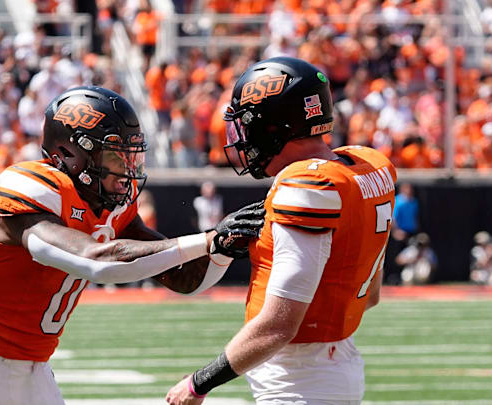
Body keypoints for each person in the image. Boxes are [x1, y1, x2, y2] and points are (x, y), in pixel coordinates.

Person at [0, 86, 264, 405]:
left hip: (35, 369)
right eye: (116, 157)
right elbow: (95, 261)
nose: (128, 171)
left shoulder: (111, 206)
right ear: (71, 153)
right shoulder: (29, 186)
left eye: (131, 157)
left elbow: (185, 278)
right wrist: (206, 239)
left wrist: (222, 248)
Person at [167, 56, 397, 405]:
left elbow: (278, 325)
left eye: (248, 125)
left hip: (298, 379)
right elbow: (371, 295)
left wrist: (199, 383)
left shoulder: (307, 184)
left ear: (275, 127)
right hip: (335, 363)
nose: (242, 139)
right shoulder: (366, 167)